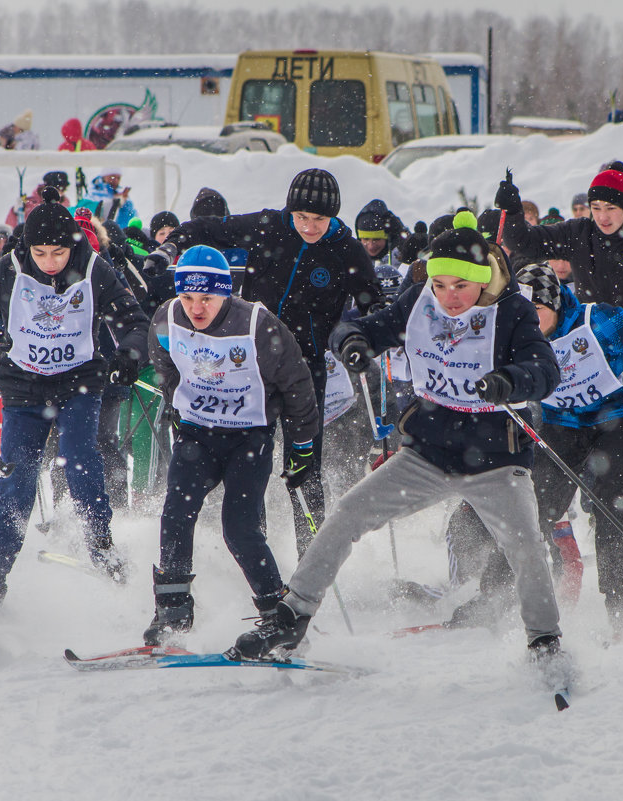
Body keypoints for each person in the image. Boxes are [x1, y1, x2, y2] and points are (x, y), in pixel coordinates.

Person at [229, 210, 563, 662]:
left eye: (461, 286)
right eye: (441, 284)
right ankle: (293, 615)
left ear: (482, 280)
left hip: (496, 461)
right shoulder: (420, 299)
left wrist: (511, 380)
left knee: (525, 546)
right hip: (428, 454)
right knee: (348, 514)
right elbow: (363, 326)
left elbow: (546, 370)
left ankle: (544, 641)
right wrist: (352, 342)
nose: (449, 296)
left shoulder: (513, 311)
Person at [147, 168, 383, 555]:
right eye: (301, 217)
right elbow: (204, 228)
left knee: (304, 468)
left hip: (304, 371)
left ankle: (313, 557)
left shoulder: (346, 248)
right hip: (246, 366)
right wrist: (168, 248)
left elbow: (371, 302)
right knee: (248, 467)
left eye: (318, 220)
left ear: (334, 217)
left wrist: (367, 335)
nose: (308, 227)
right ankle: (253, 553)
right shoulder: (268, 226)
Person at [0, 187, 150, 604]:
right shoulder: (7, 270)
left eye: (58, 253)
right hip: (24, 390)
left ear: (72, 246)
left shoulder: (94, 269)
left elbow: (134, 321)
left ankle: (102, 548)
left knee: (80, 459)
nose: (50, 263)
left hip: (79, 384)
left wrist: (129, 352)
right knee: (16, 483)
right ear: (27, 249)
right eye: (41, 254)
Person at [144, 245, 319, 644]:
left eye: (206, 297)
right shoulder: (167, 317)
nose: (196, 308)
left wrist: (303, 445)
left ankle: (279, 616)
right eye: (188, 296)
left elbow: (297, 386)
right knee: (176, 511)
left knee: (239, 528)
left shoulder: (257, 324)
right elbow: (164, 363)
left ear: (226, 291)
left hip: (248, 439)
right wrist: (182, 402)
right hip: (197, 436)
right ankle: (172, 609)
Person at [519, 263, 623, 634]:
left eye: (536, 312)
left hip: (618, 414)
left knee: (615, 497)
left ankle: (622, 607)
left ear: (555, 304)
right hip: (563, 421)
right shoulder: (516, 335)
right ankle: (505, 596)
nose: (528, 321)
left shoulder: (599, 321)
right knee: (532, 502)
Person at [498, 168, 623, 323]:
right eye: (596, 208)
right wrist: (513, 213)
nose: (603, 217)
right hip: (593, 345)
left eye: (611, 208)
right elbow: (524, 242)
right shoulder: (579, 233)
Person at [6, 171, 71, 228]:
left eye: (64, 189)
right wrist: (15, 212)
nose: (62, 192)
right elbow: (11, 226)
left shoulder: (65, 203)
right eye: (60, 188)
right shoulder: (29, 203)